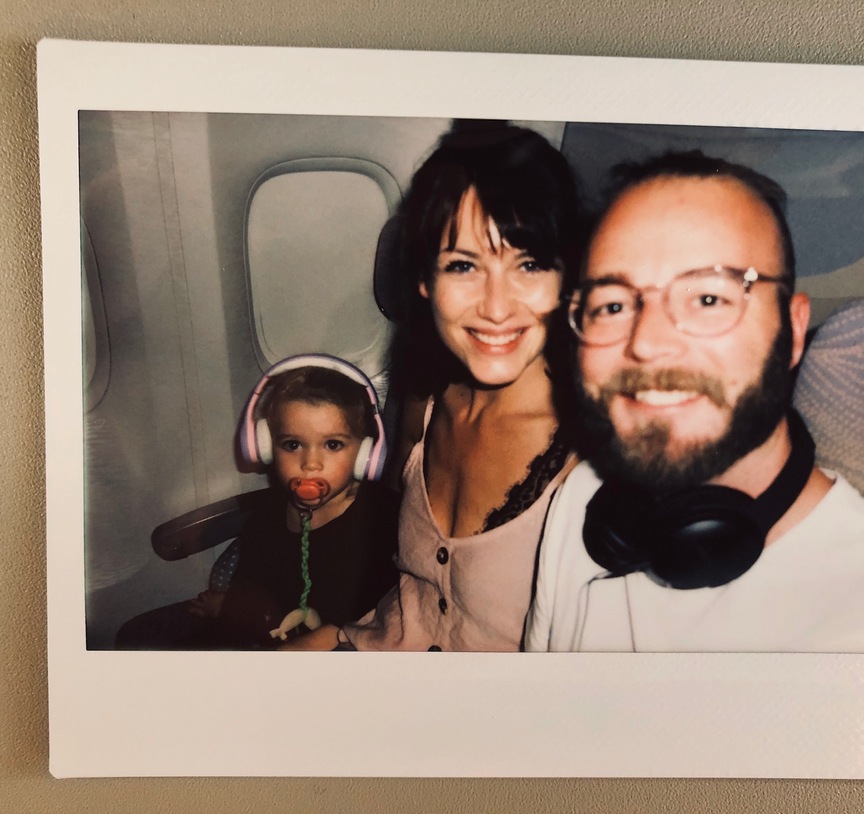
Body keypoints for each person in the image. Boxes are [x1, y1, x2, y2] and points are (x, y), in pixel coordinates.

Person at [524, 151, 864, 654]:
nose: (646, 342)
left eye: (708, 298)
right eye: (613, 305)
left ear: (792, 331)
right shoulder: (582, 496)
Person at [286, 121, 580, 652]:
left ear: (565, 278)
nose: (495, 307)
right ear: (425, 280)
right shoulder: (425, 400)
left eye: (529, 264)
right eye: (463, 265)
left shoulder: (591, 453)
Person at [191, 357, 400, 648]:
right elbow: (253, 581)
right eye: (292, 445)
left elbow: (387, 607)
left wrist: (324, 639)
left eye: (333, 444)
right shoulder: (269, 512)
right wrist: (231, 606)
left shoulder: (382, 519)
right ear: (265, 447)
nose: (310, 464)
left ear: (367, 453)